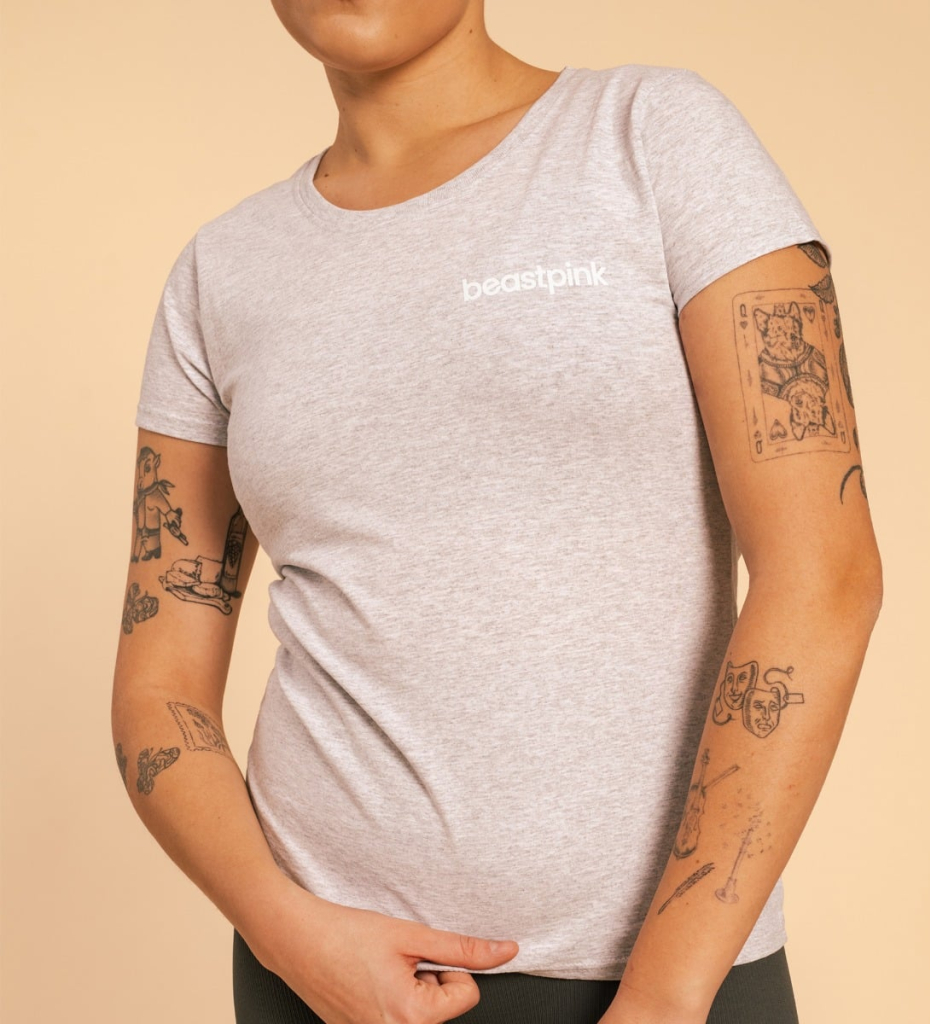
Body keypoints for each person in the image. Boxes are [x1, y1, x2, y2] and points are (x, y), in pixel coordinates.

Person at [111, 2, 883, 1022]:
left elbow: (824, 576)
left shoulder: (652, 137)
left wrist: (663, 999)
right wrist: (281, 928)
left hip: (666, 988)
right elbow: (159, 681)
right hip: (321, 982)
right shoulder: (223, 271)